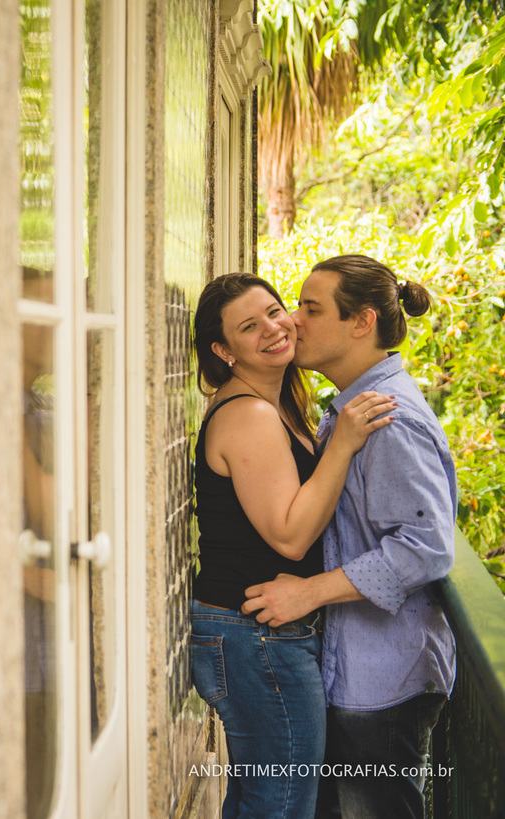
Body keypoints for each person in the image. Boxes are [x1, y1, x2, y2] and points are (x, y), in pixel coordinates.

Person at [242, 255, 456, 819]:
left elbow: (427, 546)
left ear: (361, 322)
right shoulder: (355, 410)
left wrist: (308, 592)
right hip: (358, 673)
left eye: (310, 309)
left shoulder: (390, 419)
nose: (293, 321)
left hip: (383, 684)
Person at [190, 272, 396, 819]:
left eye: (275, 312)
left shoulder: (277, 401)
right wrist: (344, 443)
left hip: (257, 634)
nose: (274, 329)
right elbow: (291, 535)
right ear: (223, 349)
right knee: (282, 805)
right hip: (252, 634)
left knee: (261, 800)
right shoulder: (249, 414)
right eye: (248, 327)